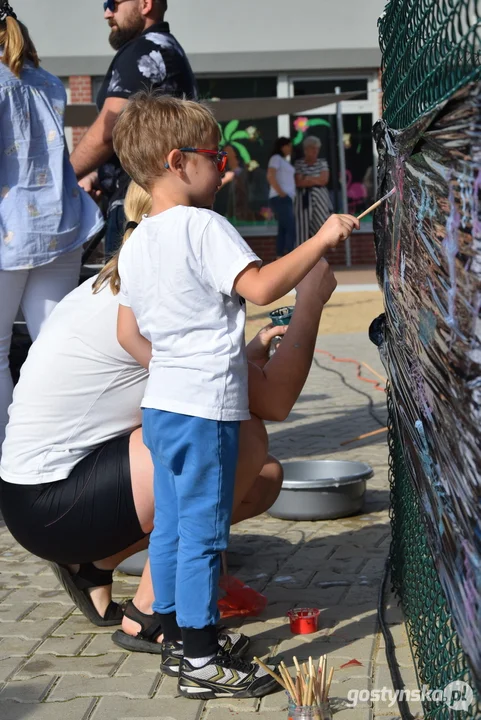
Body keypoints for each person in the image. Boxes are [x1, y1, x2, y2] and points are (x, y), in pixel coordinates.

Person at [0, 180, 339, 653]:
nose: (224, 180)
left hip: (40, 497)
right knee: (240, 436)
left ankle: (95, 564)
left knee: (263, 479)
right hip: (54, 501)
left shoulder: (130, 276)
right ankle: (148, 614)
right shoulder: (173, 295)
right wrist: (310, 304)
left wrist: (249, 354)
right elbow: (275, 401)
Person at [112, 93, 359, 698]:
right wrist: (322, 240)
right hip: (202, 411)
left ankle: (175, 634)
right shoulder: (203, 225)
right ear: (177, 161)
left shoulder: (139, 238)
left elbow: (142, 327)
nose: (226, 167)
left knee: (171, 526)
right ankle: (200, 660)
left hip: (162, 406)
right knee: (202, 532)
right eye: (216, 157)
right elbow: (261, 284)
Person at [0, 1, 103, 454]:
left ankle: (10, 460)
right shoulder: (46, 83)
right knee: (52, 350)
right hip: (58, 228)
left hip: (8, 232)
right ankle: (62, 450)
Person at [70, 0, 197, 255]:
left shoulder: (143, 50)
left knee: (128, 293)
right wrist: (98, 175)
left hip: (138, 208)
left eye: (112, 2)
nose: (107, 12)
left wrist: (63, 176)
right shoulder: (170, 49)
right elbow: (151, 137)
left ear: (145, 4)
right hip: (161, 203)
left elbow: (109, 132)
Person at [295, 135, 332, 245]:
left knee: (321, 223)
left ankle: (320, 247)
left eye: (317, 148)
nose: (315, 151)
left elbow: (324, 180)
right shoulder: (299, 163)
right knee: (302, 225)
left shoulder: (322, 162)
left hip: (320, 197)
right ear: (306, 150)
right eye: (313, 148)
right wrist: (315, 179)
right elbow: (298, 182)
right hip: (303, 199)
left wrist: (307, 178)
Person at [267, 137, 296, 258]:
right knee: (291, 228)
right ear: (282, 146)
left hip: (286, 198)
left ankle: (281, 257)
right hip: (280, 198)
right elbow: (270, 176)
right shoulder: (276, 158)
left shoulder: (284, 161)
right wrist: (281, 193)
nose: (291, 148)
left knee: (283, 229)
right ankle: (289, 256)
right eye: (289, 145)